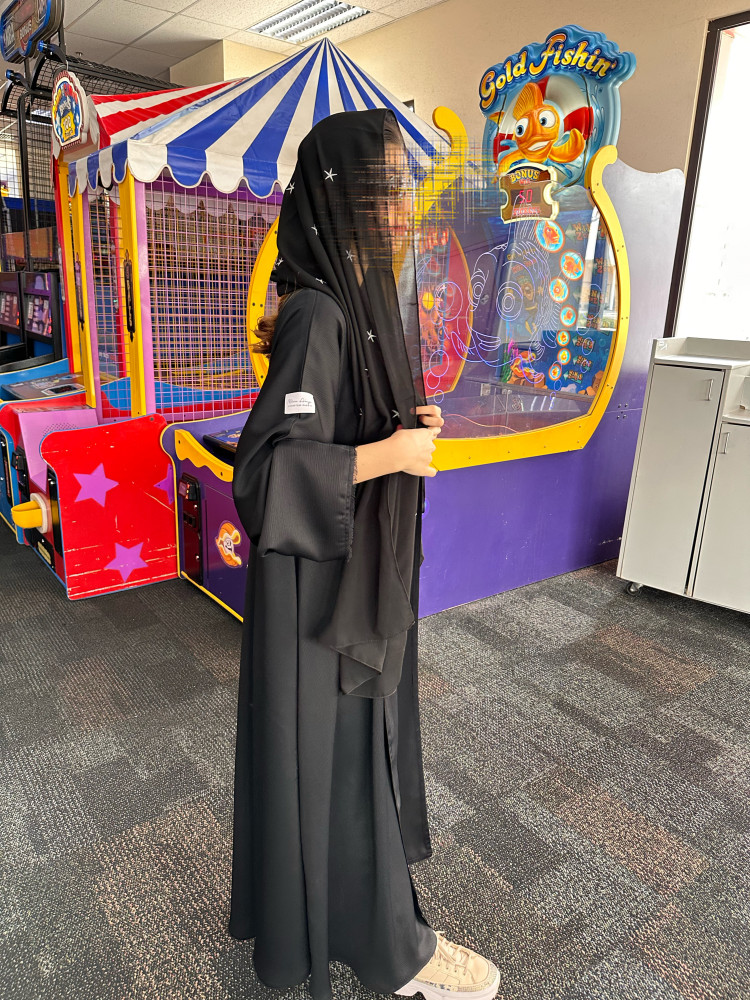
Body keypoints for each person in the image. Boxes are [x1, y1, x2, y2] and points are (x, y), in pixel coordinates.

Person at [229, 109, 500, 1000]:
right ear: (341, 198)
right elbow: (266, 475)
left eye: (403, 188)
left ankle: (368, 926)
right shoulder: (317, 313)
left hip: (350, 579)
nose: (401, 207)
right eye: (386, 189)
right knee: (336, 760)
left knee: (352, 757)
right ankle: (396, 952)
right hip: (317, 594)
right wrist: (389, 455)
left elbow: (343, 421)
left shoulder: (357, 299)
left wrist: (403, 425)